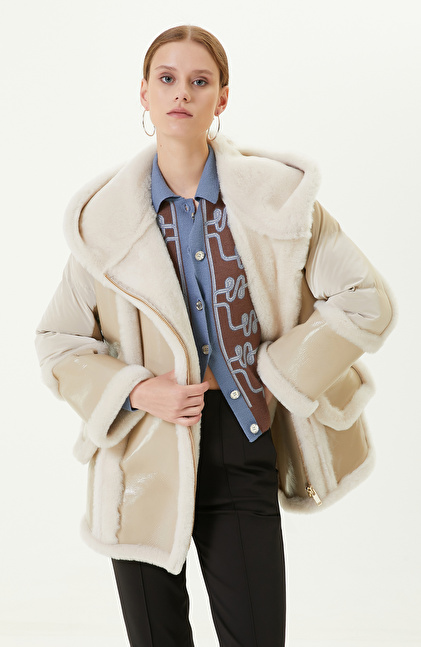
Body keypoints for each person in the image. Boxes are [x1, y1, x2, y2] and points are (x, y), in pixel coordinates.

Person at [35, 25, 395, 647]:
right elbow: (57, 340)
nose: (182, 93)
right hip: (141, 456)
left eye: (199, 81)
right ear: (144, 94)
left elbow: (366, 300)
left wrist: (276, 375)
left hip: (240, 442)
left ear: (221, 97)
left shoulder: (277, 202)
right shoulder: (104, 223)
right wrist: (137, 390)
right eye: (167, 79)